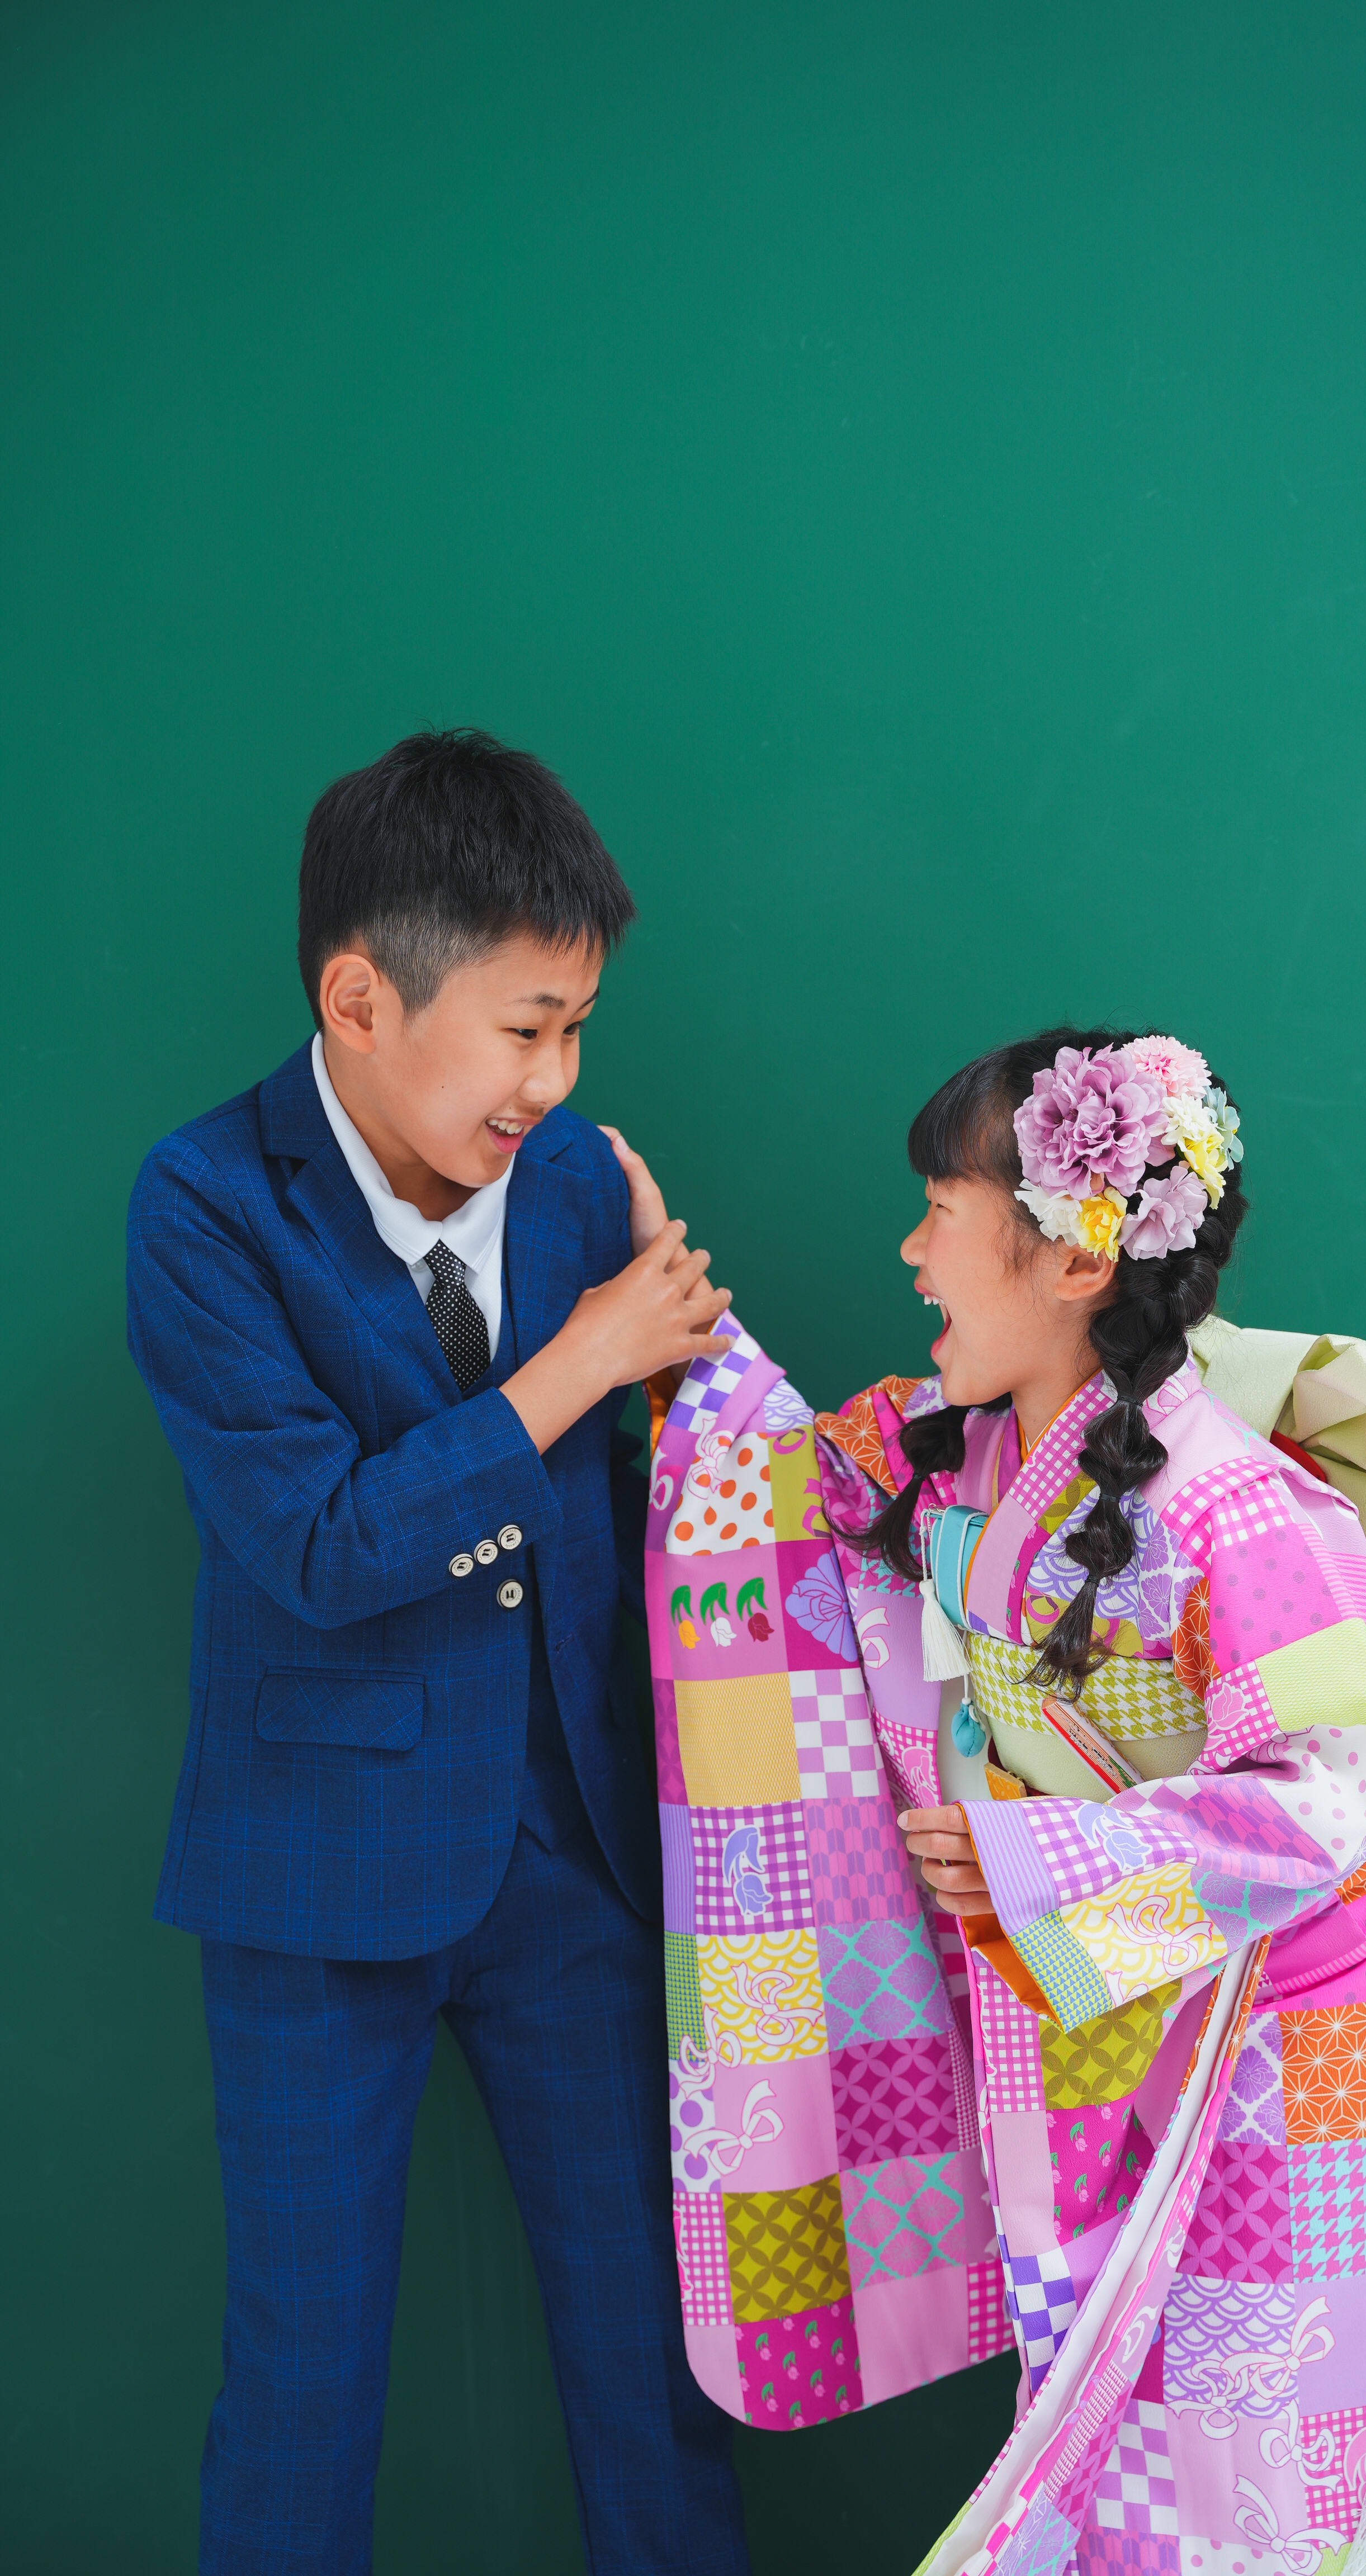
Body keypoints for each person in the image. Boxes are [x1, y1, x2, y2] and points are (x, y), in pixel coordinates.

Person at [634, 1025, 1366, 2576]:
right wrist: (677, 1336)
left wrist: (1034, 1855)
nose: (911, 1250)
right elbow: (782, 1488)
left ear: (1072, 1257)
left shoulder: (1247, 1508)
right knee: (1114, 2446)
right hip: (1114, 2027)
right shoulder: (966, 1454)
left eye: (940, 1205)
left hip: (1291, 2046)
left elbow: (1330, 1794)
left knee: (1253, 2450)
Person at [127, 731, 751, 2576]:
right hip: (313, 1881)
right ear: (358, 995)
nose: (554, 1081)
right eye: (523, 1028)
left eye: (576, 1031)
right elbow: (317, 1545)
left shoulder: (575, 1188)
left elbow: (669, 1485)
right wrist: (591, 1363)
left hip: (572, 1855)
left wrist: (693, 1375)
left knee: (657, 2366)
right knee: (304, 2379)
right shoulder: (204, 1207)